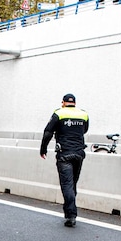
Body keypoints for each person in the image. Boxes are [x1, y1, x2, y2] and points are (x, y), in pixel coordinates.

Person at [39, 94, 89, 227]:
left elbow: (48, 132)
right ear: (75, 103)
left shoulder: (58, 113)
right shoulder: (83, 114)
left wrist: (43, 149)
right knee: (73, 184)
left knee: (67, 185)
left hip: (64, 154)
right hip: (79, 154)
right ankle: (70, 212)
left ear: (63, 102)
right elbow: (84, 130)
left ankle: (71, 215)